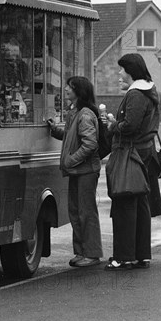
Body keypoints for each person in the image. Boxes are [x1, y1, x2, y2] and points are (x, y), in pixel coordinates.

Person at [104, 53, 161, 271]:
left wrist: (113, 125)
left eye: (122, 70)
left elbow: (130, 126)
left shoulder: (136, 94)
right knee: (140, 205)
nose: (119, 74)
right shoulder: (147, 91)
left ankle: (124, 257)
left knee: (124, 203)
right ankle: (140, 256)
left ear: (131, 72)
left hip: (131, 154)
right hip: (144, 154)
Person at [48, 76, 103, 267]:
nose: (65, 89)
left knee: (86, 212)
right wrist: (54, 130)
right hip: (78, 171)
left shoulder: (85, 114)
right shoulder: (76, 112)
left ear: (79, 91)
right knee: (75, 210)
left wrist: (71, 160)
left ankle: (92, 254)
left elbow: (90, 144)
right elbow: (72, 136)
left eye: (69, 87)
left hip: (86, 171)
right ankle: (81, 251)